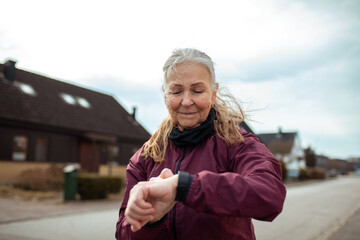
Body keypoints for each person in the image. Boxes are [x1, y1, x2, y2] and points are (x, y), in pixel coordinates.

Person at [115, 48, 286, 240]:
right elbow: (123, 233)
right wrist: (149, 219)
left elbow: (269, 195)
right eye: (176, 91)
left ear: (213, 94)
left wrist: (184, 187)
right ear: (165, 95)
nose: (187, 101)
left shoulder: (238, 144)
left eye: (197, 91)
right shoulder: (146, 156)